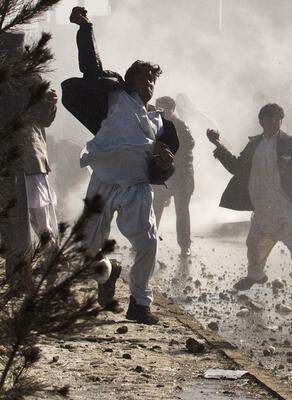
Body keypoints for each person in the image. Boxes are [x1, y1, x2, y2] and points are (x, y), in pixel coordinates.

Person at [62, 7, 179, 324]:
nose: (150, 83)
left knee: (148, 244)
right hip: (102, 180)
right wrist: (86, 26)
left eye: (154, 78)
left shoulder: (160, 122)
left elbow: (168, 163)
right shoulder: (114, 94)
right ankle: (108, 272)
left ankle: (140, 303)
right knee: (86, 246)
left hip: (135, 187)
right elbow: (90, 65)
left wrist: (165, 163)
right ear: (131, 79)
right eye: (145, 77)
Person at [206, 103, 292, 304]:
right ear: (261, 122)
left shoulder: (290, 143)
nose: (273, 123)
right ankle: (256, 275)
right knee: (253, 243)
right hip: (262, 205)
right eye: (269, 119)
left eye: (277, 119)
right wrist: (218, 145)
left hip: (285, 206)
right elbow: (236, 166)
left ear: (281, 121)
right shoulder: (254, 144)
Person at [0, 31, 58, 278]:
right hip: (25, 159)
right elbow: (45, 117)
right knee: (34, 219)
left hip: (24, 159)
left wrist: (50, 102)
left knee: (30, 219)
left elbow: (44, 117)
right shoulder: (31, 76)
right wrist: (50, 102)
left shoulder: (28, 77)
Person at [152, 96, 195, 257]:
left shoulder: (181, 126)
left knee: (182, 211)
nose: (162, 112)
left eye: (165, 110)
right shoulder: (156, 124)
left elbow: (189, 147)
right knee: (155, 208)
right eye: (159, 109)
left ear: (172, 110)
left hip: (182, 175)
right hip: (164, 175)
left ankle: (185, 246)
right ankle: (149, 241)